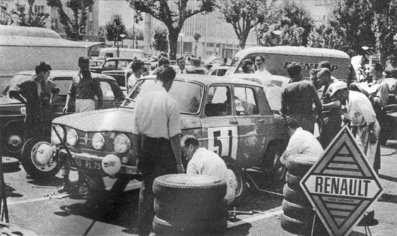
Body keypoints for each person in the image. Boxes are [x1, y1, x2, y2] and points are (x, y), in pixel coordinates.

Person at [131, 66, 184, 236]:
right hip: (163, 149)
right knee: (166, 191)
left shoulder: (141, 100)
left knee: (146, 190)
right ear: (170, 81)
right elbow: (175, 137)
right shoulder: (170, 102)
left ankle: (143, 231)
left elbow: (135, 133)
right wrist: (179, 163)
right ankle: (164, 230)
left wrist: (138, 155)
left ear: (156, 79)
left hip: (146, 146)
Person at [329, 81, 379, 224]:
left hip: (369, 129)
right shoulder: (346, 101)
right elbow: (348, 119)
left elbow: (370, 117)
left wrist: (370, 136)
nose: (336, 98)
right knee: (357, 166)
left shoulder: (356, 98)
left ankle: (368, 211)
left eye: (337, 94)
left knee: (366, 168)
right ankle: (358, 207)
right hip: (359, 129)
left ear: (343, 91)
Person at [60, 57, 103, 192]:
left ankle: (84, 180)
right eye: (83, 65)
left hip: (89, 105)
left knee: (85, 140)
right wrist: (67, 105)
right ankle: (69, 180)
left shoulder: (93, 78)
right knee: (73, 139)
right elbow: (70, 93)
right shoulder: (75, 78)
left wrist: (98, 111)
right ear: (79, 65)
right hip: (78, 105)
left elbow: (100, 95)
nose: (85, 67)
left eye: (87, 64)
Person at [9, 62, 59, 140]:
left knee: (43, 139)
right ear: (42, 73)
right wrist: (24, 100)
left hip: (44, 117)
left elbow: (56, 91)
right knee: (30, 139)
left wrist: (51, 102)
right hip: (31, 117)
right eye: (48, 73)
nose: (49, 75)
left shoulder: (48, 83)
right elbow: (12, 92)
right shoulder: (28, 83)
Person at [182, 136, 236, 205]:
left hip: (211, 202)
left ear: (191, 147)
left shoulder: (193, 162)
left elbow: (190, 189)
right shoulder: (212, 154)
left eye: (184, 151)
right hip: (227, 197)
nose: (184, 154)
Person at [281, 62, 322, 133]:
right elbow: (318, 104)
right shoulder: (308, 85)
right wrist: (319, 117)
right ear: (300, 73)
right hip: (307, 120)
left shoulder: (286, 88)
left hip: (293, 120)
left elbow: (283, 109)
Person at [312, 68, 342, 148]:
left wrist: (322, 106)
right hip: (326, 119)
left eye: (319, 78)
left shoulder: (333, 86)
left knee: (329, 143)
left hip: (332, 119)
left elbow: (337, 103)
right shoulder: (326, 86)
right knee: (324, 141)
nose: (318, 80)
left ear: (325, 77)